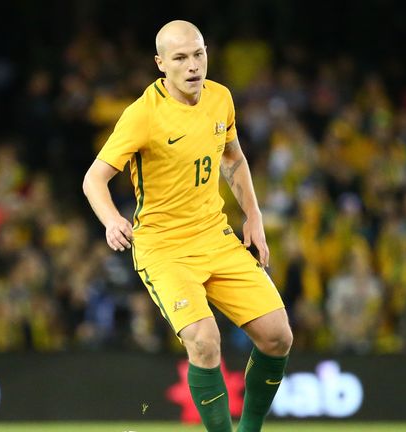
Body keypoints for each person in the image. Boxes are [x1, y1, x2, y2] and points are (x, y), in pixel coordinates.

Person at [82, 20, 292, 432]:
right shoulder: (143, 115)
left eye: (199, 54)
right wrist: (111, 221)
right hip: (165, 248)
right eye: (180, 58)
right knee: (204, 340)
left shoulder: (220, 99)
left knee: (277, 336)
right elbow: (94, 179)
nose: (193, 65)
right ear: (161, 64)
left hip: (215, 235)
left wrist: (254, 216)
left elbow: (233, 159)